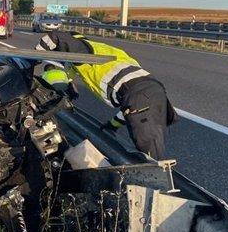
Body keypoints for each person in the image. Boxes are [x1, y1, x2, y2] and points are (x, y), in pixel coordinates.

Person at [36, 31, 177, 159]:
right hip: (152, 92)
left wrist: (32, 60)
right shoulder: (102, 50)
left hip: (139, 94)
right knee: (154, 150)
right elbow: (130, 104)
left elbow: (54, 37)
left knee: (151, 160)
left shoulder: (83, 48)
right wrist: (111, 126)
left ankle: (155, 185)